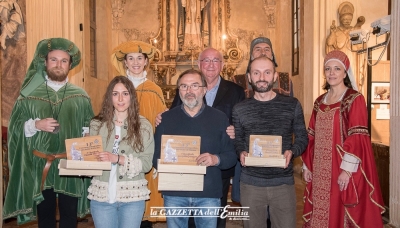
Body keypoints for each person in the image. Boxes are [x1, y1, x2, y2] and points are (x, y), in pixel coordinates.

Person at [3, 38, 94, 226]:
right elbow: (15, 129)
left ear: (70, 65)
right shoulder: (28, 96)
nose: (58, 64)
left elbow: (89, 127)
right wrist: (36, 124)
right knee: (45, 219)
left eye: (63, 60)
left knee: (70, 217)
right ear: (45, 62)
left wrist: (88, 136)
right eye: (53, 60)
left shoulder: (81, 96)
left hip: (70, 165)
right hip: (41, 165)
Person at [301, 50, 385, 227]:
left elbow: (357, 137)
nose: (331, 73)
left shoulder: (354, 99)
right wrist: (307, 165)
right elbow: (311, 135)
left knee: (339, 209)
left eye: (337, 69)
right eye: (328, 69)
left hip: (341, 168)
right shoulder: (319, 101)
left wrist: (347, 170)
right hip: (319, 170)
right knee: (320, 210)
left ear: (345, 72)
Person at [167, 47, 245, 228]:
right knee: (187, 212)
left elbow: (242, 122)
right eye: (206, 60)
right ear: (198, 64)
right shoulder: (187, 89)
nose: (210, 65)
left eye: (215, 60)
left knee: (215, 213)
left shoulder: (236, 91)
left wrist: (236, 130)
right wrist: (161, 118)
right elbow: (174, 117)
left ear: (222, 65)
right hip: (188, 162)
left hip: (218, 164)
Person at [153, 69, 237, 228]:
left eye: (194, 86)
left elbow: (231, 156)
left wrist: (215, 159)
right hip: (175, 193)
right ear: (179, 91)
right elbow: (155, 158)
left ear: (204, 90)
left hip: (208, 193)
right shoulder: (166, 119)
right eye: (184, 86)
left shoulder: (219, 118)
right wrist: (169, 163)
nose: (189, 91)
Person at [233, 56, 308, 228]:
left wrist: (293, 151)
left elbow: (303, 137)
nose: (262, 77)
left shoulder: (292, 104)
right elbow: (238, 140)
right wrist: (241, 152)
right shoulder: (240, 109)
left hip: (282, 183)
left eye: (267, 72)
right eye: (256, 72)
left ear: (275, 76)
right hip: (251, 184)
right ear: (249, 77)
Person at [110, 40, 167, 226]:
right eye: (131, 58)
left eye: (140, 58)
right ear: (125, 62)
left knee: (143, 205)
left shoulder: (154, 90)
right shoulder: (115, 88)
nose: (135, 62)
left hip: (144, 154)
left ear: (146, 62)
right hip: (118, 154)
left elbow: (162, 126)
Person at [87, 76, 154, 228]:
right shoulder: (97, 124)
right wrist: (82, 163)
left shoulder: (143, 126)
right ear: (109, 97)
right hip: (102, 197)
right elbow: (90, 158)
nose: (120, 98)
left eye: (125, 93)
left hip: (131, 197)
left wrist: (118, 158)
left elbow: (146, 164)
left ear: (132, 96)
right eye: (115, 93)